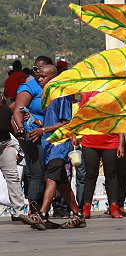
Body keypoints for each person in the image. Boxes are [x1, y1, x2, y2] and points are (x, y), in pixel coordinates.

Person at [25, 65, 86, 230]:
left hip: (59, 145)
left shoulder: (62, 95)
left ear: (53, 77)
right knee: (62, 183)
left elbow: (65, 122)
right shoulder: (48, 95)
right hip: (49, 146)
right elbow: (51, 121)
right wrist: (35, 121)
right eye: (38, 76)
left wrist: (43, 130)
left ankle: (42, 214)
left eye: (43, 76)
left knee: (50, 178)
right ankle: (78, 215)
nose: (39, 79)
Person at [11, 55, 54, 212]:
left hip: (52, 135)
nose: (37, 72)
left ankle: (50, 209)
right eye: (35, 69)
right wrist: (21, 129)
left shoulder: (57, 88)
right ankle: (34, 210)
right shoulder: (29, 87)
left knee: (54, 174)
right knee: (37, 173)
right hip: (33, 135)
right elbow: (17, 110)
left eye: (40, 69)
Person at [79, 91, 125, 219]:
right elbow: (80, 115)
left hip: (111, 141)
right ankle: (86, 208)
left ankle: (114, 207)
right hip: (90, 140)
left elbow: (119, 120)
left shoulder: (113, 92)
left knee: (111, 174)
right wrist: (74, 134)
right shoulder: (88, 93)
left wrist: (121, 143)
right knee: (90, 175)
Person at [0, 93, 29, 224]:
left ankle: (19, 211)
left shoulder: (6, 110)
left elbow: (10, 124)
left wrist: (17, 137)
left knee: (13, 177)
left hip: (5, 145)